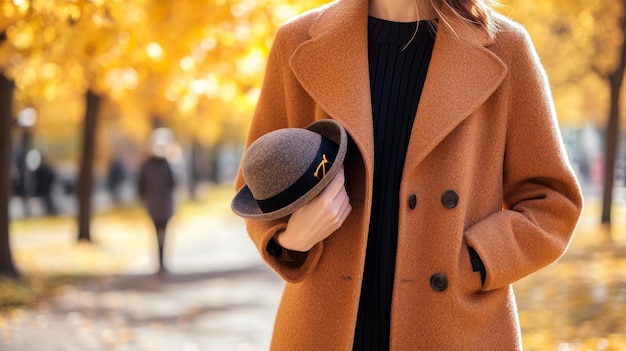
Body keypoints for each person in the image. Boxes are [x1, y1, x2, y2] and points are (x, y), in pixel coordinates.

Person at [234, 0, 584, 349]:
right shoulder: (298, 41)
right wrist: (290, 240)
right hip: (322, 327)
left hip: (453, 327)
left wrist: (475, 259)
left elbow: (552, 202)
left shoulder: (507, 48)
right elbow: (257, 185)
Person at [138, 141, 176, 275]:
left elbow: (140, 187)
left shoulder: (146, 166)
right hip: (165, 205)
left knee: (156, 232)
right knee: (162, 233)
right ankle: (162, 263)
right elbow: (174, 183)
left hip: (153, 206)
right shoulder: (167, 165)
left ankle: (159, 263)